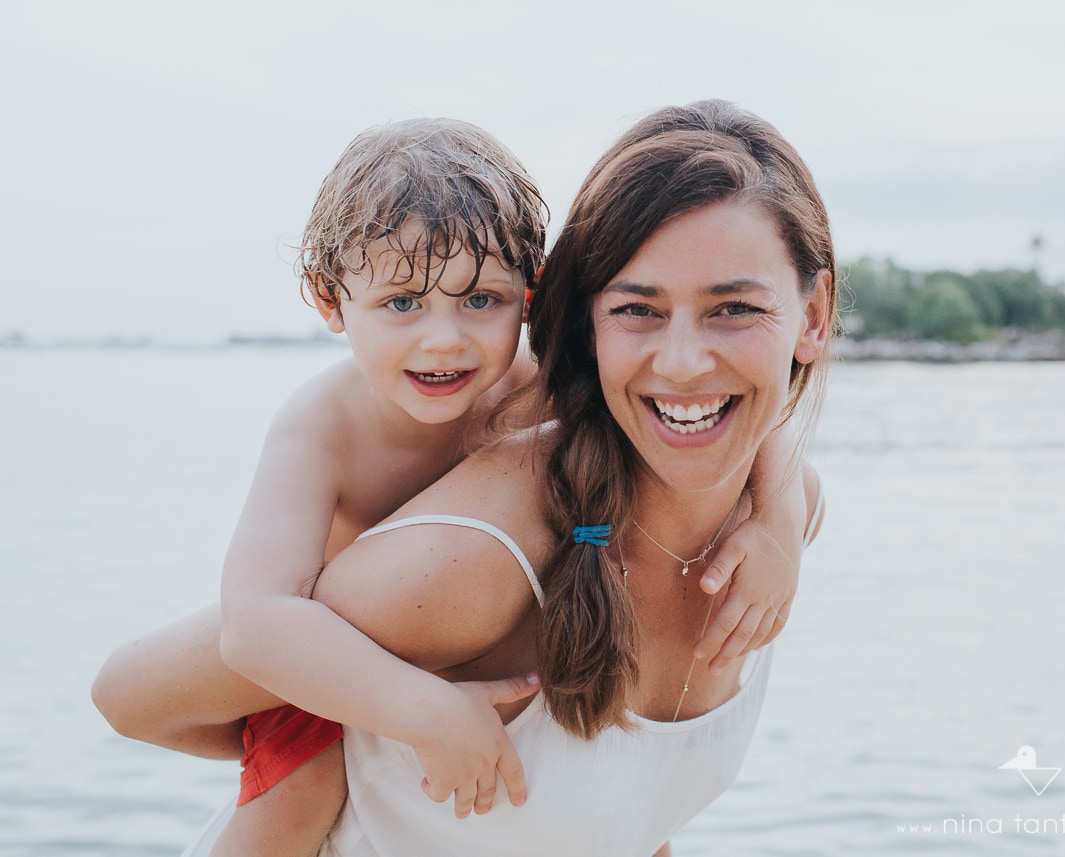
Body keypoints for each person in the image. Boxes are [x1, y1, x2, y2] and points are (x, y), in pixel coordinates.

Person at [91, 115, 807, 856]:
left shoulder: (536, 385)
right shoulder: (321, 425)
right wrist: (422, 709)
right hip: (327, 666)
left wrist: (781, 519)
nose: (444, 338)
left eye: (480, 300)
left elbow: (730, 412)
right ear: (330, 299)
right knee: (295, 797)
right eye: (402, 303)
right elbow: (255, 621)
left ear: (527, 297)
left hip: (432, 659)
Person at [294, 98, 835, 855]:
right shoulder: (470, 559)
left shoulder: (782, 518)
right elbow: (134, 694)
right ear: (586, 321)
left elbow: (631, 811)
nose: (682, 360)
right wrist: (417, 707)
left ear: (814, 316)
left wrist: (777, 510)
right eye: (638, 310)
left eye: (734, 308)